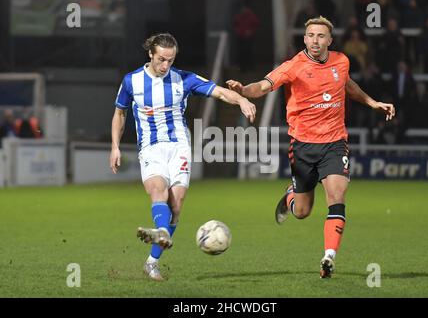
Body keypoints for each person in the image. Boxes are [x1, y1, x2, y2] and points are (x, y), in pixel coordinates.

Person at [226, 16, 395, 279]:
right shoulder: (293, 66)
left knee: (337, 196)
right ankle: (291, 195)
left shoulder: (342, 61)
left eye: (320, 36)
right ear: (304, 38)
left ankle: (329, 257)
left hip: (335, 143)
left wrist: (372, 102)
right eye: (310, 36)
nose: (315, 41)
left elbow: (346, 85)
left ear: (330, 40)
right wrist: (244, 90)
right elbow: (263, 85)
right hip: (303, 146)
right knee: (302, 212)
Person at [109, 33, 256, 281]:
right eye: (162, 59)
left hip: (179, 146)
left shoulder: (184, 79)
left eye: (171, 60)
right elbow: (120, 114)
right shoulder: (131, 81)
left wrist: (241, 99)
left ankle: (152, 261)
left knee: (176, 204)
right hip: (151, 146)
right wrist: (115, 146)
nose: (166, 65)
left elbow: (219, 92)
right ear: (151, 54)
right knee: (158, 190)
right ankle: (163, 233)